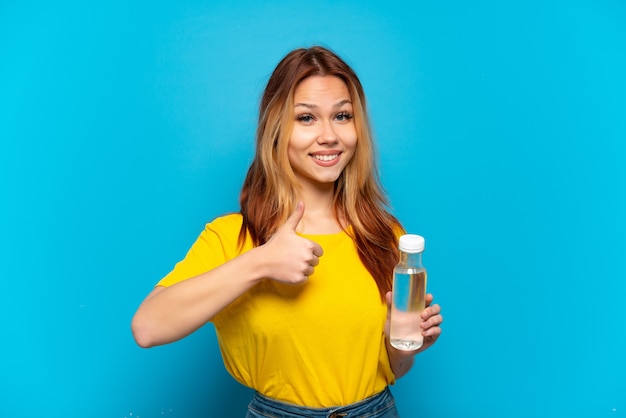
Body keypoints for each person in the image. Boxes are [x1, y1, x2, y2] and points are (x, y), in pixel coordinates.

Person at [131, 45, 443, 417]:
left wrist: (405, 344)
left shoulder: (384, 235)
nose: (329, 135)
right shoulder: (235, 237)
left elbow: (395, 369)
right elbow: (147, 328)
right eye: (306, 118)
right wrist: (259, 263)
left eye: (342, 116)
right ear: (277, 128)